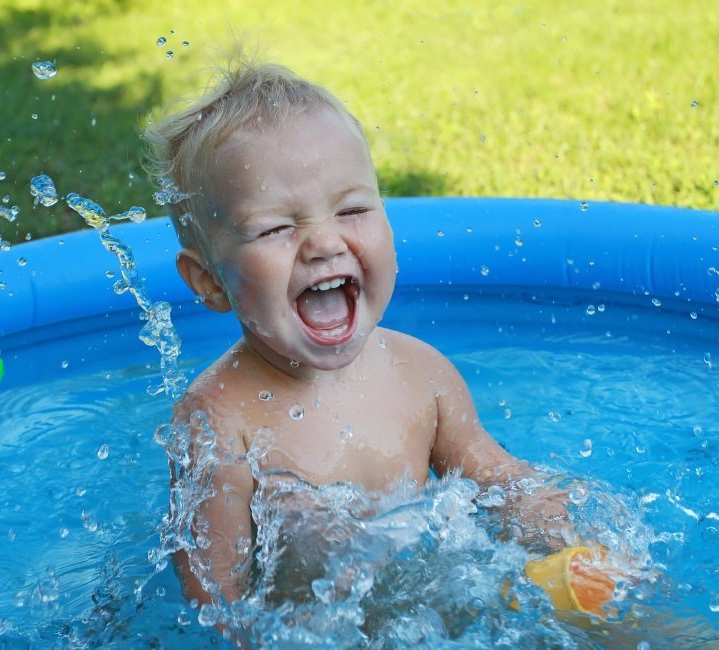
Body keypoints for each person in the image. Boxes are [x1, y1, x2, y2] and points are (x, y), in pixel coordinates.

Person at [145, 53, 591, 610]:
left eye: (352, 210)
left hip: (437, 609)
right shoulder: (217, 419)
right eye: (278, 227)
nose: (325, 243)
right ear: (209, 280)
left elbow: (494, 475)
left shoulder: (421, 372)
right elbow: (214, 593)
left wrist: (557, 525)